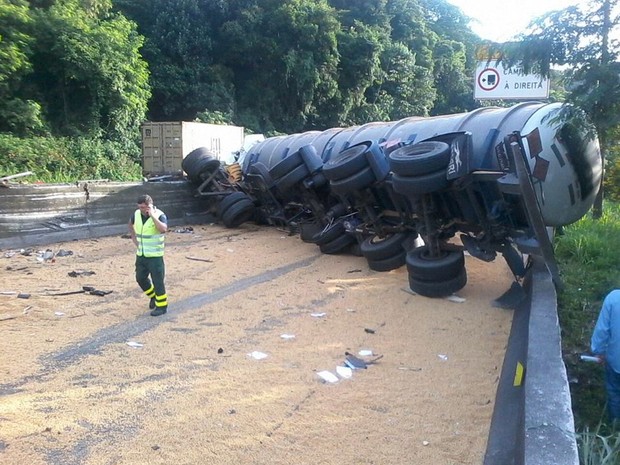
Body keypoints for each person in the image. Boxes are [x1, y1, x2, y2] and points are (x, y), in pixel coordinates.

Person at [128, 194, 168, 316]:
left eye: (145, 207)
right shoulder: (136, 214)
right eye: (140, 207)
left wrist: (152, 216)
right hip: (141, 254)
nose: (143, 210)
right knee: (140, 278)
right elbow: (130, 224)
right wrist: (134, 239)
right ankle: (153, 296)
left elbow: (163, 229)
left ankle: (162, 307)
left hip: (155, 256)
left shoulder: (159, 214)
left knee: (158, 281)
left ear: (150, 205)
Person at [591, 289, 620, 422]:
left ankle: (615, 426)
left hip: (616, 362)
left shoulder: (614, 299)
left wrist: (599, 351)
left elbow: (602, 330)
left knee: (614, 393)